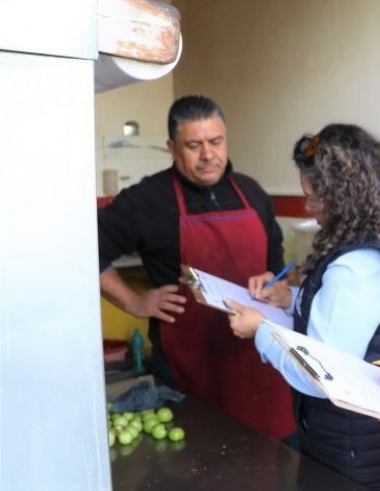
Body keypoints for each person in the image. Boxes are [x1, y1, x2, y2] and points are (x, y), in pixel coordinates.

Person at [227, 124, 380, 491]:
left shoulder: (357, 265)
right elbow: (354, 316)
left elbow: (319, 373)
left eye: (312, 198)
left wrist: (260, 329)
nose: (308, 208)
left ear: (342, 196)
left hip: (358, 448)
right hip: (377, 439)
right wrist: (289, 298)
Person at [98, 95, 295, 442]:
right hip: (190, 368)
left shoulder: (251, 192)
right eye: (194, 145)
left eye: (216, 141)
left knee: (276, 463)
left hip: (260, 363)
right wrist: (134, 302)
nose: (208, 154)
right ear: (172, 148)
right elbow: (86, 253)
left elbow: (277, 267)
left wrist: (278, 286)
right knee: (199, 460)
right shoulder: (146, 200)